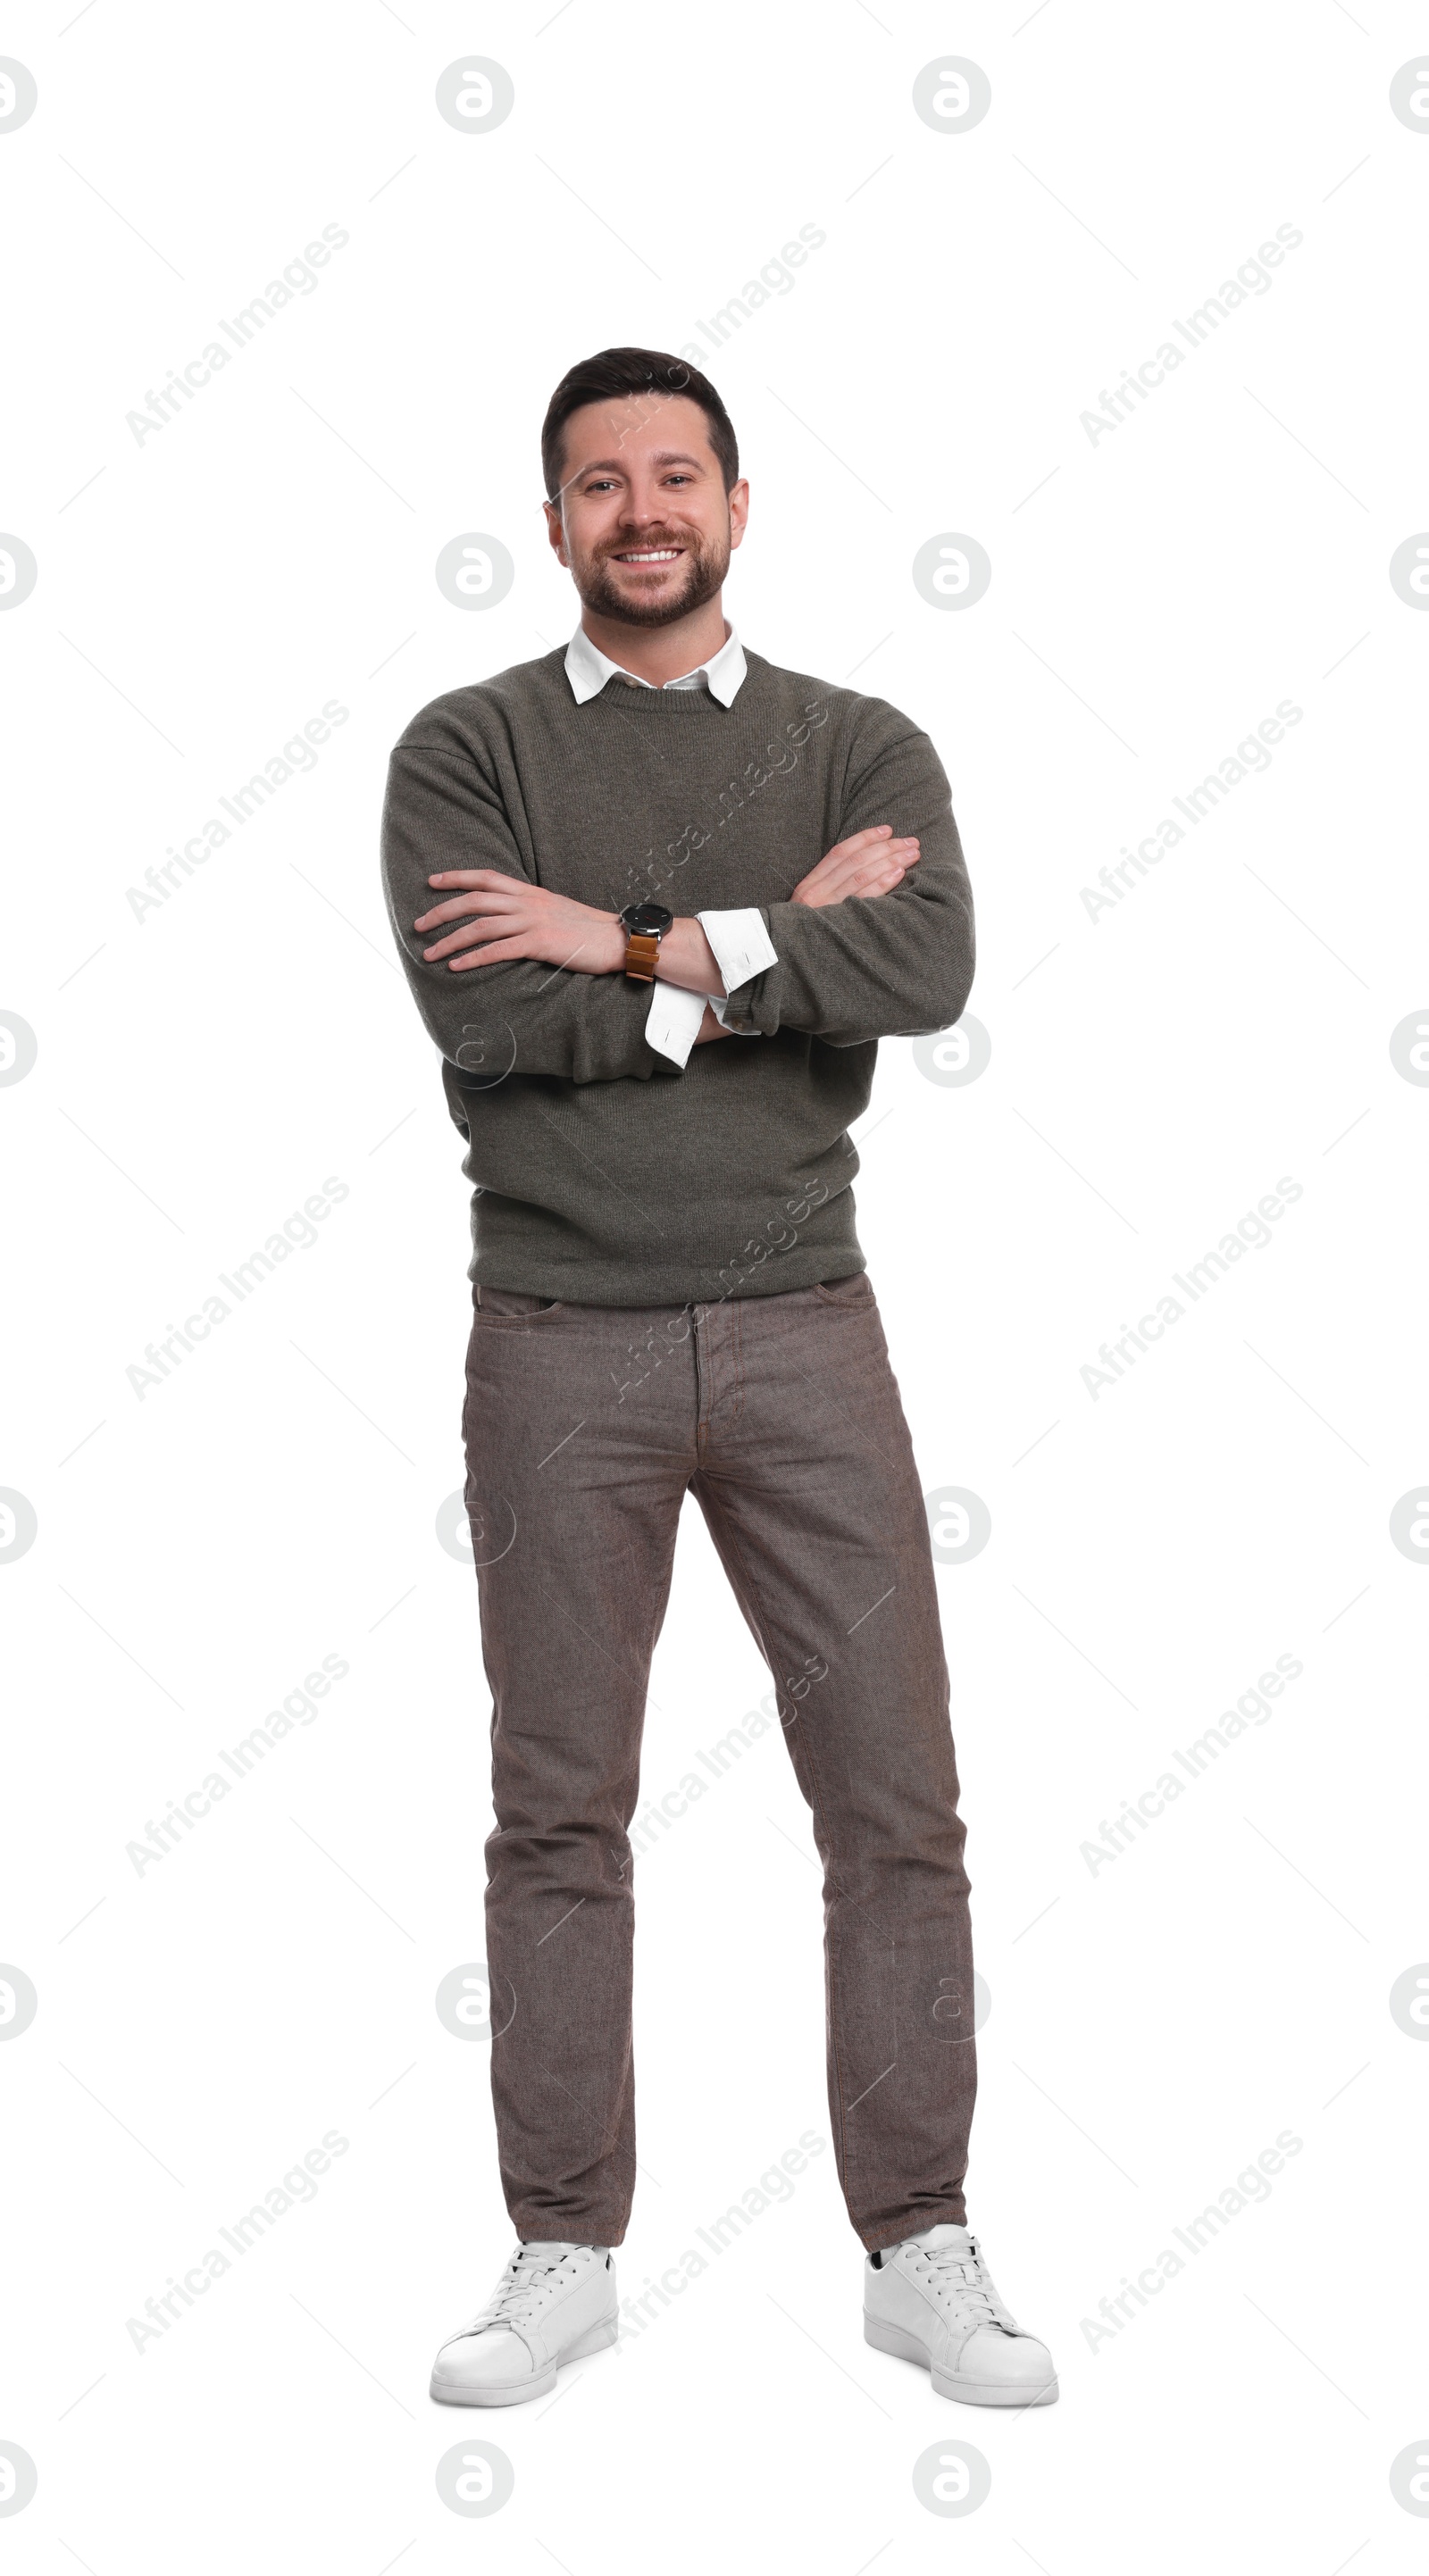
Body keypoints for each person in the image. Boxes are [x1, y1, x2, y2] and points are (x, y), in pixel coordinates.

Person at [380, 346, 1057, 2412]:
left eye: (677, 476)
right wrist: (752, 950)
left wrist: (619, 935)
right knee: (557, 1811)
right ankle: (561, 2247)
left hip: (804, 1334)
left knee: (894, 1804)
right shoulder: (464, 750)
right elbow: (488, 1029)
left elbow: (924, 972)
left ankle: (916, 2241)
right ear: (555, 517)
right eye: (601, 482)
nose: (640, 510)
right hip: (553, 1344)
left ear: (738, 507)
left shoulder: (861, 740)